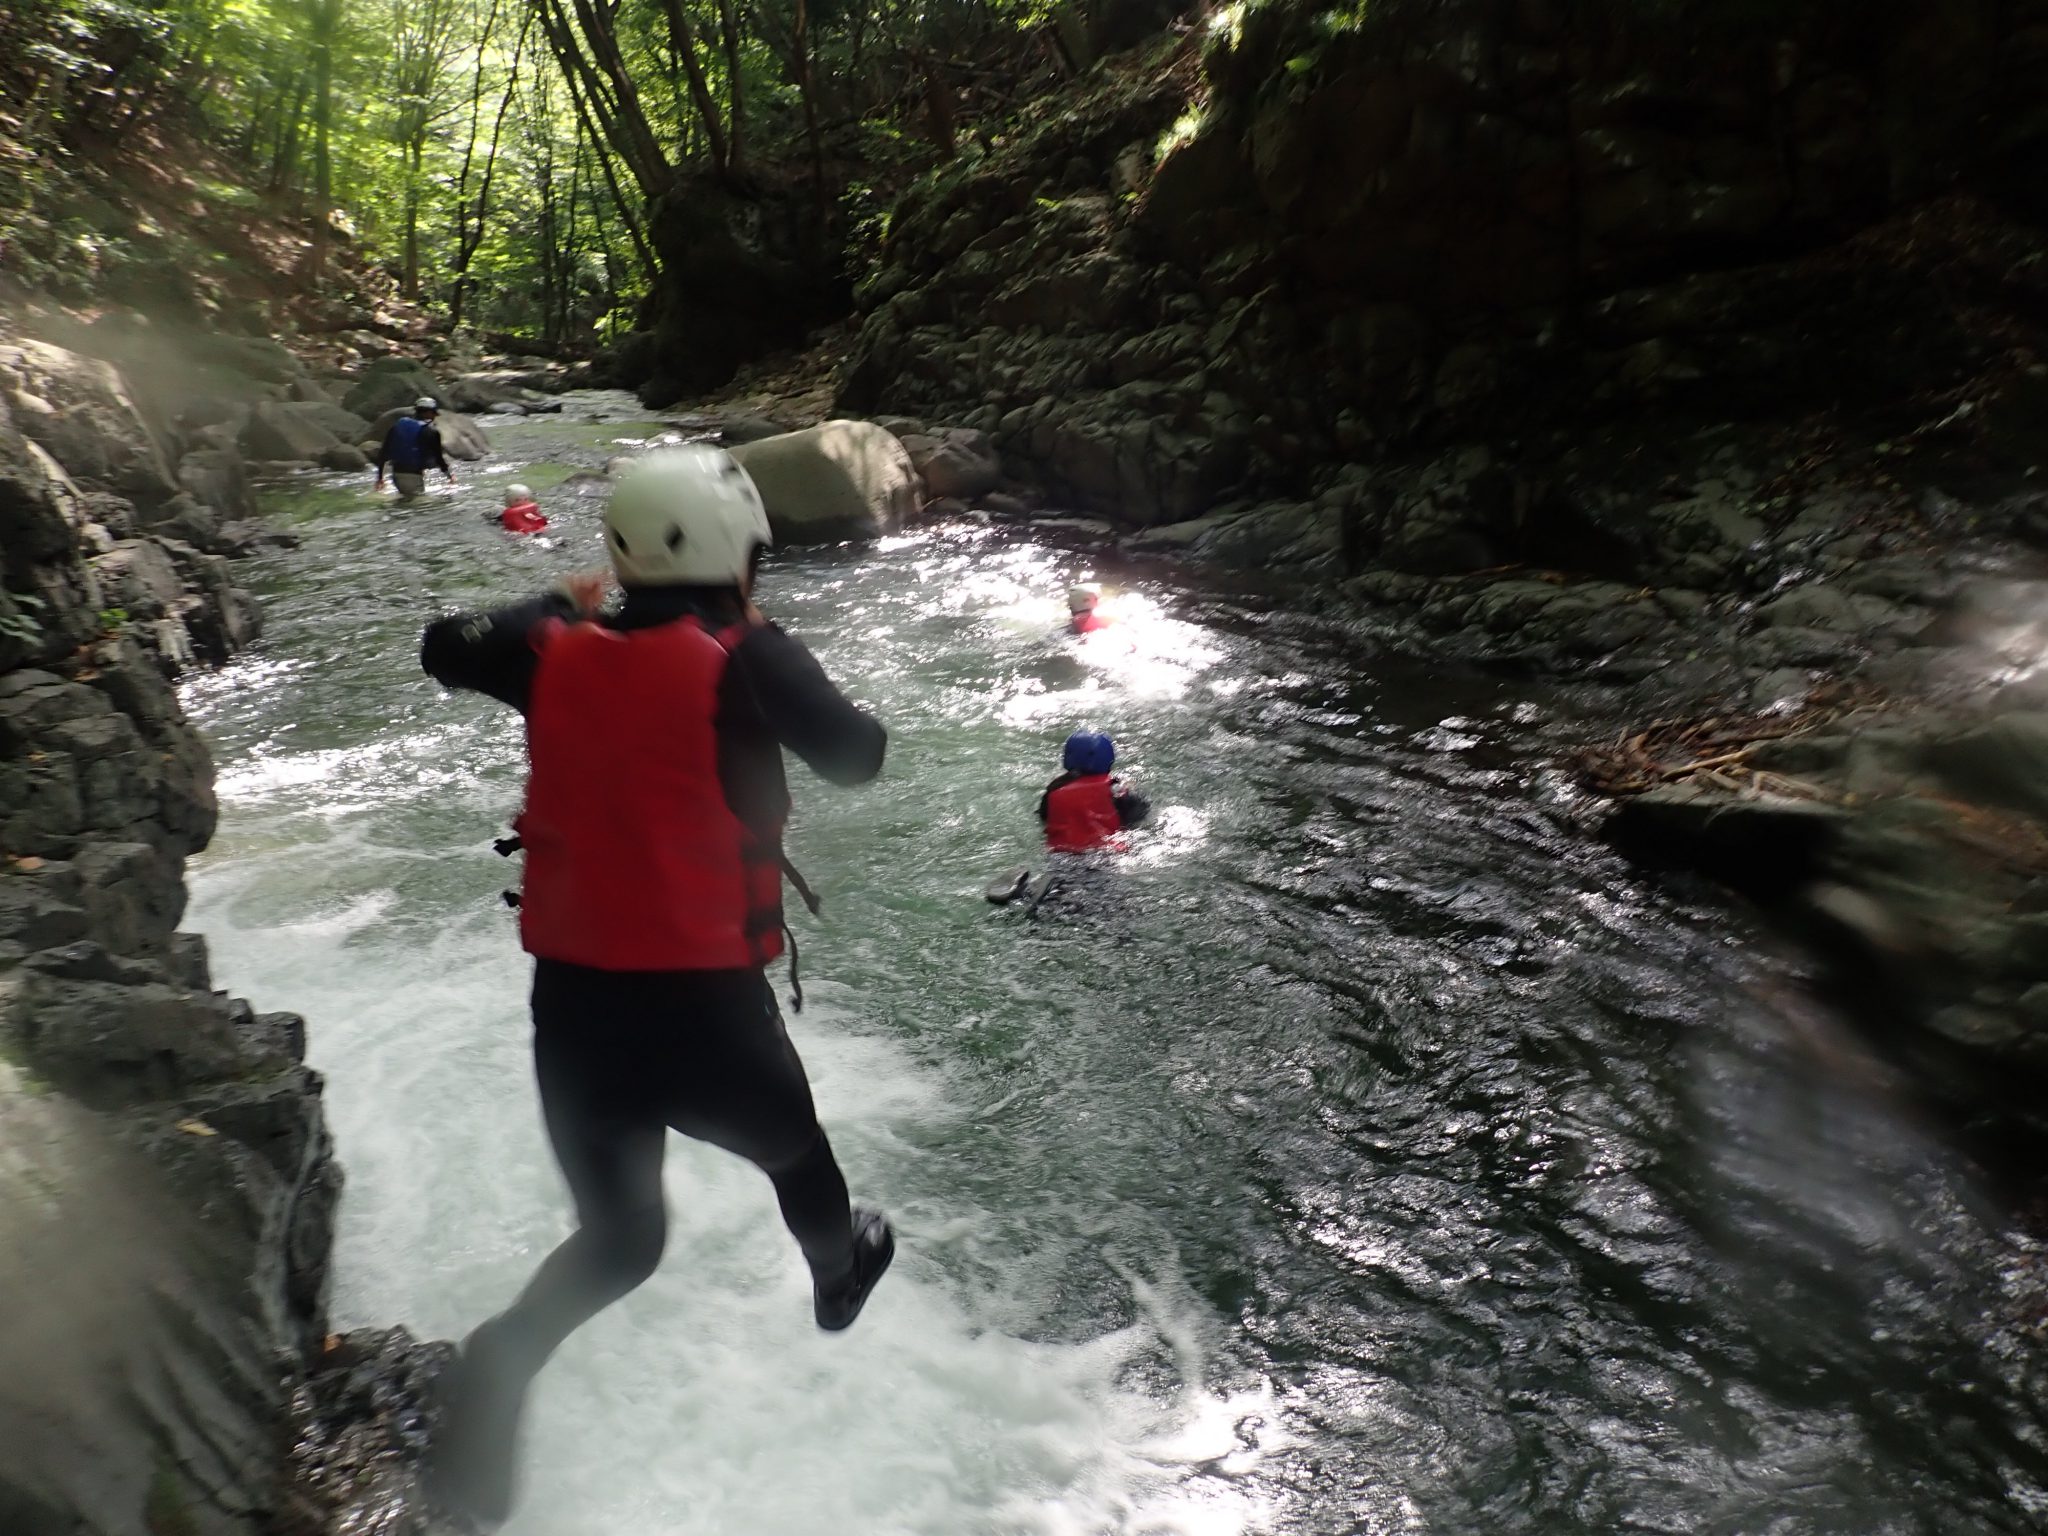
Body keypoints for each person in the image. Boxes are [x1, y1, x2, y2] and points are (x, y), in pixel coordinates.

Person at [417, 444, 894, 1523]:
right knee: (797, 1160)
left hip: (575, 1015)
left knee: (621, 1240)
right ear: (734, 553)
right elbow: (859, 757)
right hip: (705, 1015)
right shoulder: (745, 657)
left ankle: (498, 1365)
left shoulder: (549, 646)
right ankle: (836, 1279)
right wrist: (771, 649)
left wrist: (553, 600)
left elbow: (443, 644)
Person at [1039, 730, 1148, 852]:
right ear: (1108, 758)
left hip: (1060, 859)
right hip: (1105, 856)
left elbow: (1044, 820)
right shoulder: (1116, 789)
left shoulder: (1053, 791)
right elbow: (1140, 815)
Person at [374, 396, 457, 497]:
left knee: (405, 503)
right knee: (418, 507)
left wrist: (380, 478)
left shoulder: (398, 426)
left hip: (396, 474)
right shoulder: (431, 432)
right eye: (433, 413)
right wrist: (449, 476)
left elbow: (383, 452)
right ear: (427, 412)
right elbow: (439, 458)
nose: (434, 416)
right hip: (412, 477)